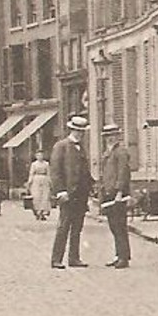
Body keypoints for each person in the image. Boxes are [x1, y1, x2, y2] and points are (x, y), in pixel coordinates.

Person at [49, 115, 93, 269]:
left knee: (77, 228)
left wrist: (90, 187)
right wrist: (60, 191)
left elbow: (85, 172)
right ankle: (56, 259)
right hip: (67, 194)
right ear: (72, 130)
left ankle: (74, 258)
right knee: (63, 227)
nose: (80, 134)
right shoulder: (61, 146)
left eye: (82, 132)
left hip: (81, 195)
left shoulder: (81, 148)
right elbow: (55, 172)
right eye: (77, 131)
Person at [97, 123, 132, 269]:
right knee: (113, 226)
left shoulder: (121, 152)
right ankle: (118, 255)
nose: (110, 139)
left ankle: (124, 257)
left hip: (118, 194)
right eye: (107, 137)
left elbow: (123, 173)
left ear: (117, 136)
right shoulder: (108, 152)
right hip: (108, 193)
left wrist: (119, 192)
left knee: (119, 226)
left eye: (112, 136)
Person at [27, 151, 53, 221]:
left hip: (44, 180)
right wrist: (29, 182)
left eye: (41, 155)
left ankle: (43, 212)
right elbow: (31, 173)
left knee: (45, 196)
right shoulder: (34, 164)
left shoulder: (46, 164)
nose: (40, 157)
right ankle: (37, 212)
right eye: (38, 155)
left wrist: (50, 183)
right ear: (36, 156)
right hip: (36, 180)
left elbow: (48, 173)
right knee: (36, 196)